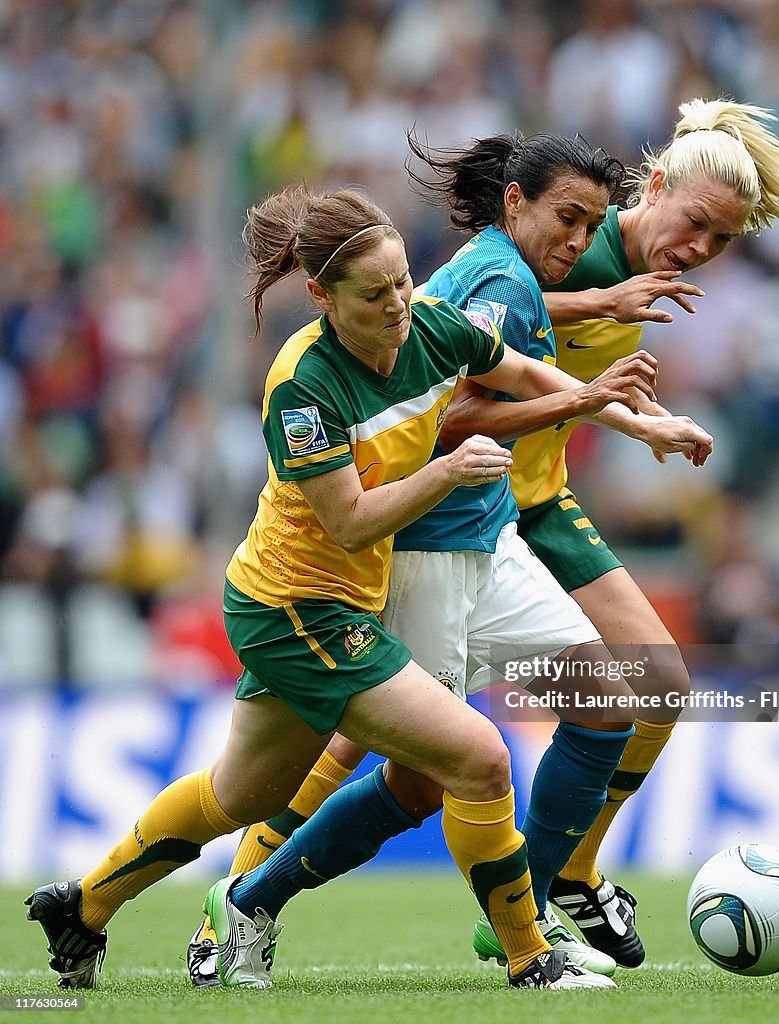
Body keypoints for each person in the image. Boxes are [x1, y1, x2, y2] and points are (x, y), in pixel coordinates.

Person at [185, 97, 779, 983]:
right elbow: (455, 371)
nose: (702, 249)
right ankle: (248, 894)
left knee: (646, 683)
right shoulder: (559, 249)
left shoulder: (604, 263)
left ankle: (557, 882)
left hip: (530, 503)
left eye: (722, 241)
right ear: (655, 185)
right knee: (391, 752)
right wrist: (600, 328)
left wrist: (644, 417)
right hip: (452, 511)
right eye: (696, 223)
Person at [27, 183, 658, 992]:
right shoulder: (303, 385)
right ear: (322, 296)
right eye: (376, 292)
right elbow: (353, 521)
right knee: (479, 758)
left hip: (335, 604)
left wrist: (603, 402)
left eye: (402, 281)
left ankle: (82, 910)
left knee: (236, 797)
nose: (399, 304)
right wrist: (447, 470)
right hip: (297, 610)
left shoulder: (430, 325)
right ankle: (534, 956)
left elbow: (512, 365)